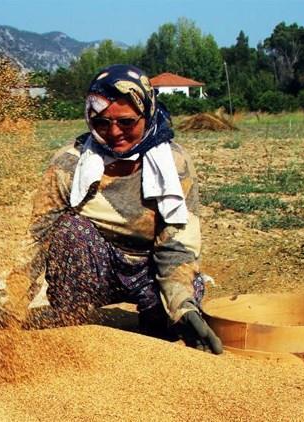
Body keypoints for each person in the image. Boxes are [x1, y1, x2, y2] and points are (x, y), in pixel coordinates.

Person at [29, 64, 222, 353]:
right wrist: (11, 304)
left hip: (150, 268)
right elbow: (36, 240)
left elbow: (177, 248)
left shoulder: (175, 164)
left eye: (127, 122)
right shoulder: (68, 164)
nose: (114, 132)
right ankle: (74, 330)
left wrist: (183, 308)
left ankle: (161, 319)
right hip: (97, 267)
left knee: (174, 321)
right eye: (101, 123)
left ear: (147, 112)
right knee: (70, 230)